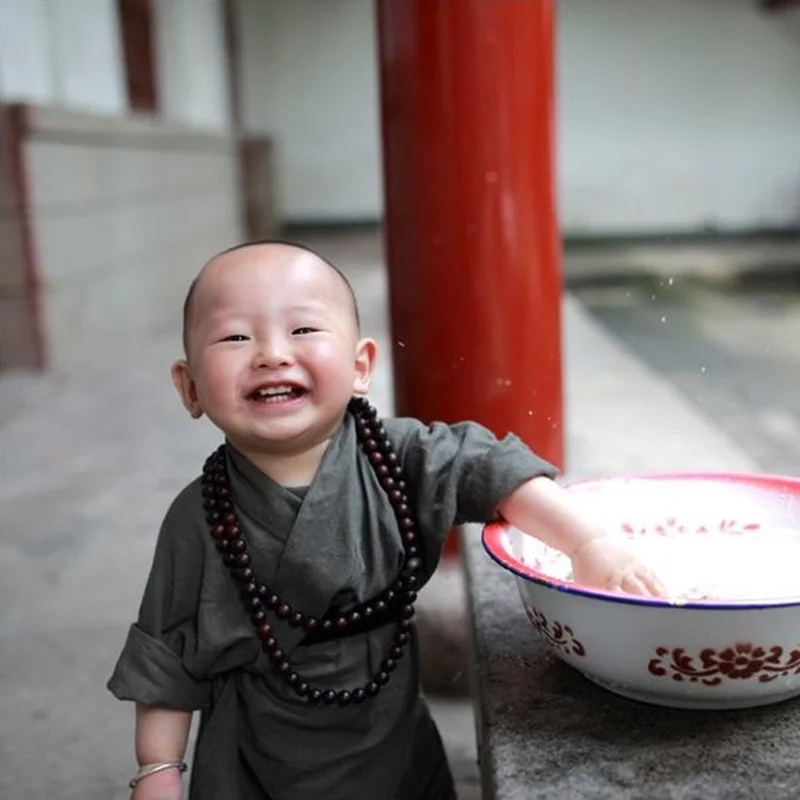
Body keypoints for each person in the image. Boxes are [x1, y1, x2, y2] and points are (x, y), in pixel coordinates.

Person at [108, 241, 664, 800]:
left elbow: (493, 471)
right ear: (190, 387)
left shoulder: (397, 458)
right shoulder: (199, 517)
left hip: (390, 742)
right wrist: (159, 770)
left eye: (302, 330)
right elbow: (168, 655)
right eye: (235, 336)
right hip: (255, 761)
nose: (272, 354)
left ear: (360, 367)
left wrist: (590, 544)